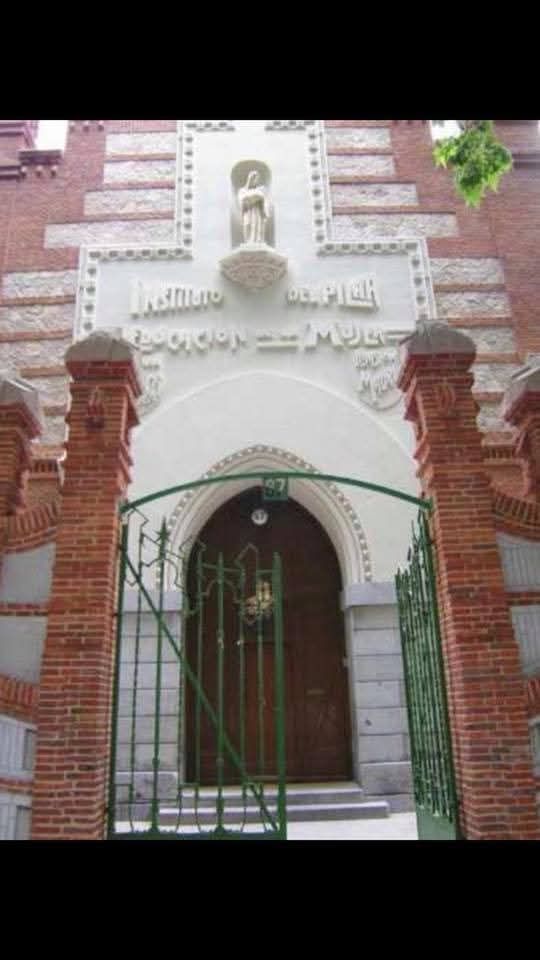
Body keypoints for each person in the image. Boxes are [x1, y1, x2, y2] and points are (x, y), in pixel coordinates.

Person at [238, 170, 270, 244]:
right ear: (250, 179)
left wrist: (256, 197)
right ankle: (249, 242)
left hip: (257, 213)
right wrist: (255, 196)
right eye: (254, 179)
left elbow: (263, 198)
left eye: (257, 179)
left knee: (256, 227)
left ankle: (257, 241)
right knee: (247, 225)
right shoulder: (242, 190)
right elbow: (242, 200)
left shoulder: (260, 189)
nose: (256, 181)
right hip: (248, 212)